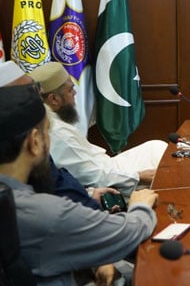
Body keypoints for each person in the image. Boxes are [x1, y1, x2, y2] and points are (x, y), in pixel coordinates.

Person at [0, 83, 158, 286]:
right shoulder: (44, 212)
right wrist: (140, 205)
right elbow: (130, 233)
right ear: (35, 142)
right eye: (48, 132)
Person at [28, 62, 166, 196]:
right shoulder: (57, 133)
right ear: (54, 99)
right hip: (107, 183)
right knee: (163, 161)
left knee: (156, 147)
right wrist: (139, 176)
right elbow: (93, 176)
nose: (75, 93)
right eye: (70, 90)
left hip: (107, 166)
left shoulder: (51, 118)